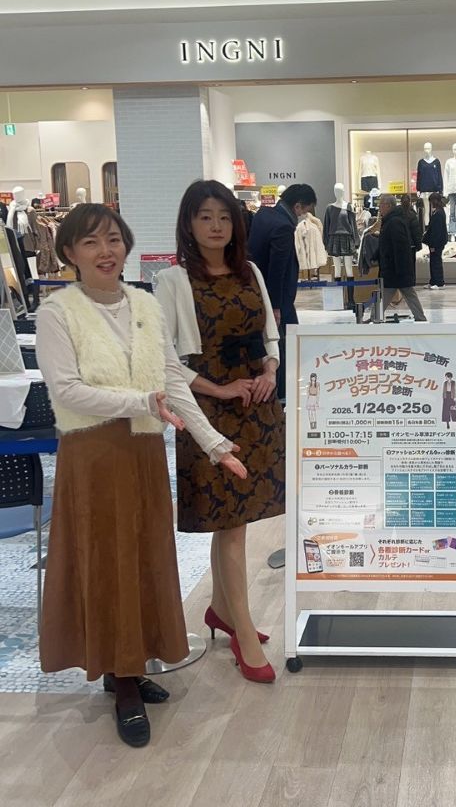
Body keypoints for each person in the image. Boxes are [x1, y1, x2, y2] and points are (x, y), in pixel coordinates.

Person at [36, 203, 247, 748]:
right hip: (92, 456)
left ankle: (126, 665)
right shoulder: (58, 312)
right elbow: (67, 389)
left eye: (113, 239)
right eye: (90, 242)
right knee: (105, 561)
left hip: (144, 454)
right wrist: (141, 401)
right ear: (69, 253)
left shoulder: (145, 305)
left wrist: (215, 444)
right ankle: (123, 680)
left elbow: (172, 380)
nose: (105, 251)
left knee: (142, 558)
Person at [156, 180, 286, 685]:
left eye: (224, 217)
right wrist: (219, 389)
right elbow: (166, 360)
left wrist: (270, 370)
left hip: (257, 407)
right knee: (230, 521)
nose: (215, 226)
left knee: (236, 520)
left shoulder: (250, 270)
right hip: (208, 410)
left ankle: (221, 610)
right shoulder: (172, 281)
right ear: (189, 224)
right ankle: (244, 633)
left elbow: (270, 333)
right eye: (205, 216)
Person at [247, 183, 317, 399]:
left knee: (279, 341)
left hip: (257, 291)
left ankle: (284, 388)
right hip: (277, 299)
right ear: (297, 206)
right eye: (304, 211)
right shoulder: (284, 227)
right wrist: (276, 306)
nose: (303, 217)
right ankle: (285, 391)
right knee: (286, 343)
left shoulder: (263, 214)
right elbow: (277, 270)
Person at [378, 195, 427, 321]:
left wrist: (400, 268)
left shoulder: (394, 222)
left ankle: (375, 316)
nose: (379, 207)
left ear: (388, 206)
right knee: (405, 293)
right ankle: (420, 317)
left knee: (393, 293)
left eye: (381, 204)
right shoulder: (393, 220)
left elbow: (399, 247)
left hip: (395, 268)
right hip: (396, 268)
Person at [423, 192, 448, 289]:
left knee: (436, 262)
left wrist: (433, 244)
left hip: (437, 242)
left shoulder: (438, 213)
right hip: (436, 241)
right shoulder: (438, 212)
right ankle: (433, 281)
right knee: (433, 261)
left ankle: (439, 282)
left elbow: (436, 231)